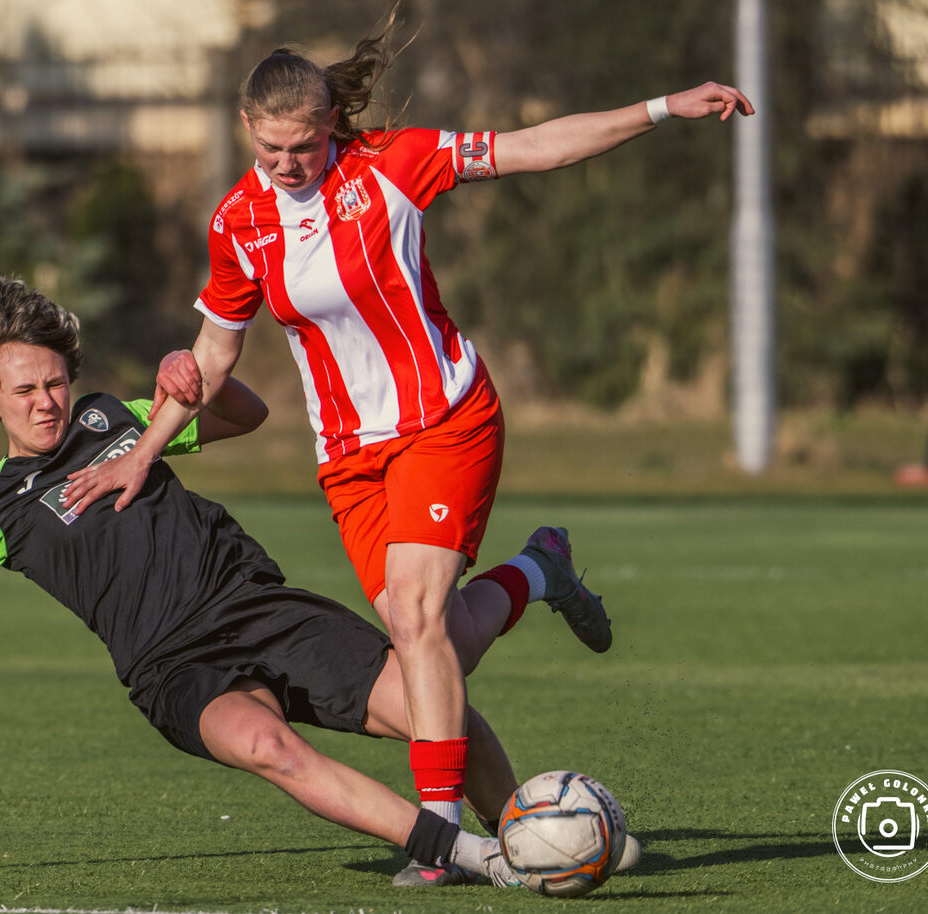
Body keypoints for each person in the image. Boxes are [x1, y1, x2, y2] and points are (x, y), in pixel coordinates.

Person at [59, 4, 732, 882]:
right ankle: (539, 571)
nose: (287, 164)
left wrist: (661, 108)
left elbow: (535, 146)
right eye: (270, 148)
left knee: (415, 622)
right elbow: (216, 354)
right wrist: (144, 451)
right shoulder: (237, 222)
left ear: (330, 123)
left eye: (304, 146)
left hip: (446, 421)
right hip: (349, 459)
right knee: (433, 640)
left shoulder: (394, 164)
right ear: (247, 127)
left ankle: (441, 836)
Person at [0, 277, 544, 889]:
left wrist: (194, 376)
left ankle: (528, 831)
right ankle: (468, 854)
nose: (45, 403)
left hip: (257, 607)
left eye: (55, 383)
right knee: (270, 747)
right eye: (24, 391)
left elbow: (246, 414)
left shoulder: (116, 419)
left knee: (437, 709)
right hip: (173, 666)